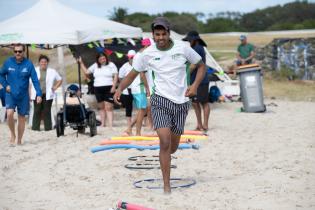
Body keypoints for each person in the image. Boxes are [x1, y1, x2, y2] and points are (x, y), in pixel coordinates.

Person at [114, 17, 206, 193]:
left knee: (172, 147)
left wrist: (194, 86)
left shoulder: (183, 48)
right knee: (164, 143)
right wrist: (119, 89)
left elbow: (201, 66)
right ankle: (166, 185)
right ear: (153, 35)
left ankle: (169, 155)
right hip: (159, 100)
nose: (161, 37)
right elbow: (133, 74)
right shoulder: (146, 53)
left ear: (168, 33)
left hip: (181, 101)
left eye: (164, 34)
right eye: (157, 34)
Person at [0, 44, 42, 145]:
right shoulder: (8, 62)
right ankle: (13, 134)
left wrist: (39, 94)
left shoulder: (28, 64)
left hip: (23, 96)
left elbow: (35, 80)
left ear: (23, 52)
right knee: (9, 114)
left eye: (20, 51)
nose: (17, 53)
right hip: (10, 94)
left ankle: (19, 139)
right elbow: (0, 74)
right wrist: (6, 85)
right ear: (14, 52)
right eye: (16, 51)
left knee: (21, 118)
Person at [78, 52, 118, 128]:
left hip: (109, 87)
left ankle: (110, 124)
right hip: (97, 88)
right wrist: (81, 63)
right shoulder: (95, 65)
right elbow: (87, 72)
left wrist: (114, 86)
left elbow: (115, 76)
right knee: (101, 107)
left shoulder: (111, 65)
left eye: (104, 58)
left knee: (108, 106)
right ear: (98, 60)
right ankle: (103, 124)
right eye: (101, 59)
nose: (103, 60)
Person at [183, 31, 210, 131]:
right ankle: (199, 124)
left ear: (194, 39)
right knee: (195, 103)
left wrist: (184, 75)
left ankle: (205, 124)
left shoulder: (198, 48)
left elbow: (194, 65)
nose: (188, 41)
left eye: (189, 40)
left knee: (204, 103)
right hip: (194, 80)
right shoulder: (194, 47)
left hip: (202, 80)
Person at [30, 54, 62, 131]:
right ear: (39, 62)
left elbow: (60, 79)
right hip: (37, 94)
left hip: (48, 94)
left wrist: (55, 87)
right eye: (42, 62)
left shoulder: (52, 71)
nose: (43, 63)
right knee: (37, 110)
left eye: (45, 62)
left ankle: (48, 128)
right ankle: (35, 128)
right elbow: (30, 83)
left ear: (47, 63)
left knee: (47, 111)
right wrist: (29, 94)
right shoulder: (34, 70)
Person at [118, 50, 136, 136]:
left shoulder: (139, 65)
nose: (132, 59)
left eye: (133, 57)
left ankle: (147, 125)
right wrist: (123, 87)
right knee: (129, 110)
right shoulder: (124, 67)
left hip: (138, 89)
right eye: (131, 57)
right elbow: (121, 78)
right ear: (128, 57)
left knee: (143, 109)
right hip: (128, 90)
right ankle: (129, 127)